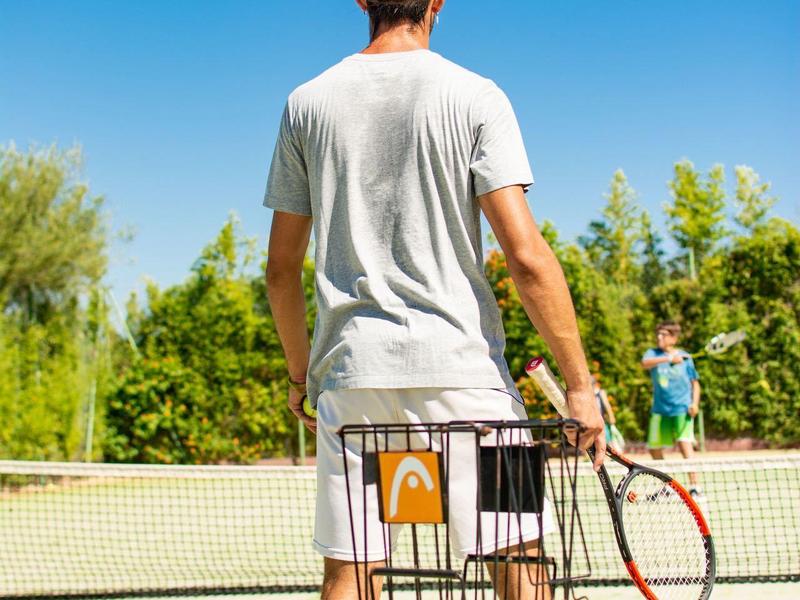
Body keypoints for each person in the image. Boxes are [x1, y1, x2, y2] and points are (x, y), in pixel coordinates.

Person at [264, 1, 606, 598]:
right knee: (518, 556)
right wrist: (579, 383)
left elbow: (281, 270)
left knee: (352, 569)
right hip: (468, 380)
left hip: (351, 381)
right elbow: (525, 256)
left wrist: (303, 376)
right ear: (438, 1)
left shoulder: (306, 103)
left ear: (361, 1)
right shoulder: (478, 95)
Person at [641, 320, 702, 496]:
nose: (659, 337)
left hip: (682, 409)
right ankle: (668, 485)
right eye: (658, 334)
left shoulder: (686, 358)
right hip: (659, 410)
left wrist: (694, 403)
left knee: (685, 446)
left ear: (674, 338)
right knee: (654, 448)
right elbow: (645, 363)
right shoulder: (652, 353)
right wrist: (669, 358)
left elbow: (695, 384)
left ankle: (695, 487)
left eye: (664, 334)